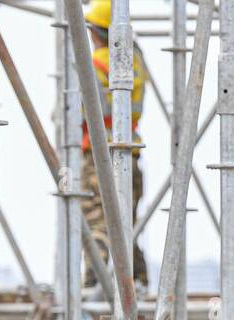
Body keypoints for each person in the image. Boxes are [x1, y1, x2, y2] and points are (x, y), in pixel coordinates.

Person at [80, 1, 150, 286]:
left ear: (97, 31)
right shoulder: (135, 62)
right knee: (125, 226)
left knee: (98, 222)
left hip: (99, 154)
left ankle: (94, 281)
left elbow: (78, 108)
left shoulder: (94, 63)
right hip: (130, 152)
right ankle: (138, 280)